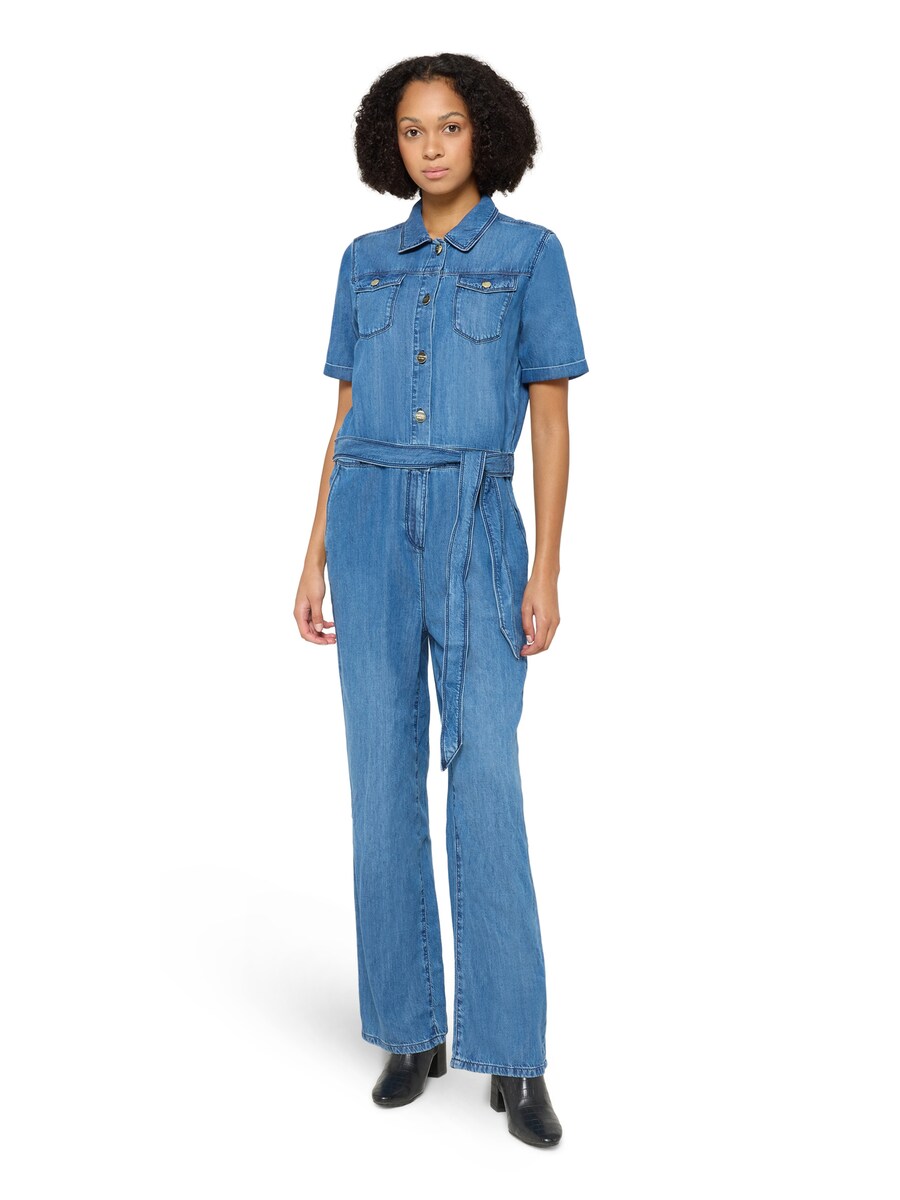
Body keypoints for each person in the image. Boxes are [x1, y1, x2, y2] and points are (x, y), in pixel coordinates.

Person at [294, 52, 589, 1148]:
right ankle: (408, 1030)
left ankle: (515, 1054)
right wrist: (313, 553)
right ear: (391, 142)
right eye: (413, 130)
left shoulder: (530, 255)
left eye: (450, 126)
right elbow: (344, 417)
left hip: (475, 524)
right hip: (367, 519)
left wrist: (545, 569)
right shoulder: (364, 262)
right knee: (380, 780)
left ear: (486, 134)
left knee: (487, 781)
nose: (430, 146)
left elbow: (550, 420)